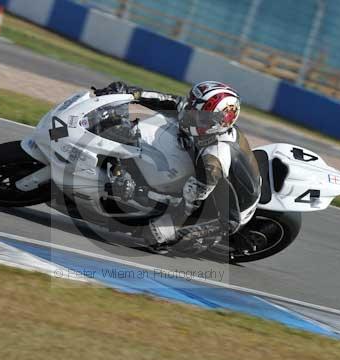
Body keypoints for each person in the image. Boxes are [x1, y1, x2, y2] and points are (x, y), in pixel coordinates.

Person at [94, 81, 248, 254]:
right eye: (192, 108)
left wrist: (158, 211)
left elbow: (188, 203)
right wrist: (129, 93)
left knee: (157, 236)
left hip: (221, 210)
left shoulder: (214, 161)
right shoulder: (198, 116)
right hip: (199, 172)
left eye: (199, 115)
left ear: (218, 122)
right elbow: (168, 100)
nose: (191, 115)